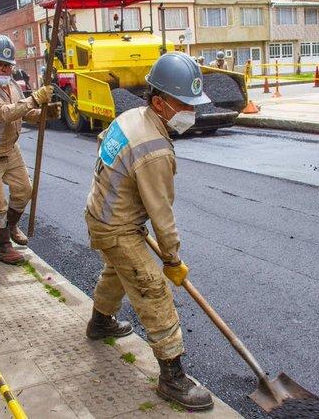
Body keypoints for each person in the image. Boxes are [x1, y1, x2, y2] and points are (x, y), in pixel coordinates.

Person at [84, 52, 214, 411]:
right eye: (185, 103)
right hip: (115, 226)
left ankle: (99, 321)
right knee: (151, 287)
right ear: (159, 102)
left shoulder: (130, 118)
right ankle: (172, 377)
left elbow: (102, 145)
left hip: (99, 211)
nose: (192, 111)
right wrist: (171, 260)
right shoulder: (154, 148)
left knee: (118, 271)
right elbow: (163, 216)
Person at [0, 35, 56, 264]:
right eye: (0, 64)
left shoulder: (12, 85)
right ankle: (4, 247)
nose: (5, 70)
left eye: (8, 66)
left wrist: (45, 114)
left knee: (24, 190)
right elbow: (4, 113)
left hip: (9, 149)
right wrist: (35, 99)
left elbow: (22, 112)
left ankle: (12, 225)